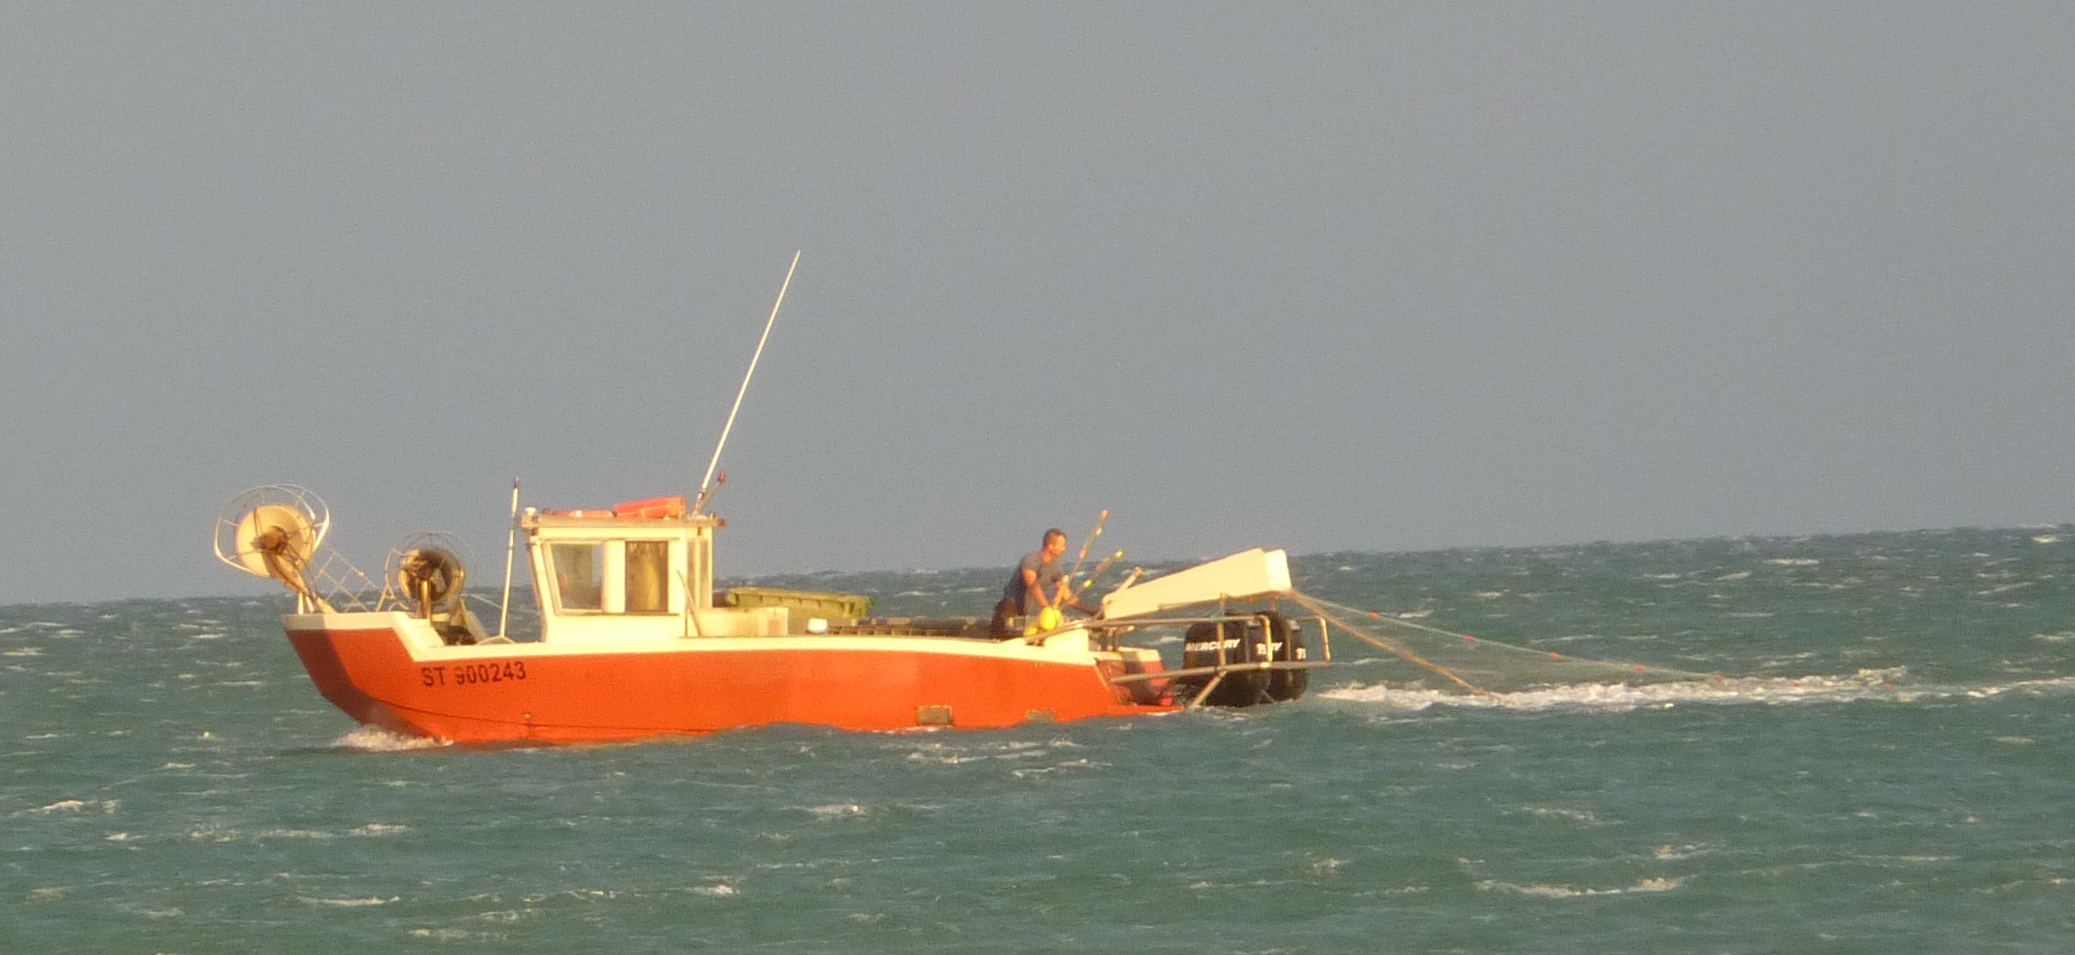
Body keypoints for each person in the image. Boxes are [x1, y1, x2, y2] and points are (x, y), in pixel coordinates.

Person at [993, 528, 1097, 636]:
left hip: (1025, 612)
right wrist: (1047, 608)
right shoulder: (1031, 560)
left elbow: (1065, 594)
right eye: (1062, 545)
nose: (1064, 549)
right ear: (1050, 546)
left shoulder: (1056, 567)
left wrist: (1092, 611)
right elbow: (1033, 585)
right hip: (1010, 609)